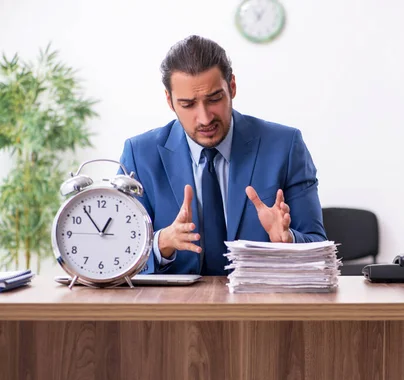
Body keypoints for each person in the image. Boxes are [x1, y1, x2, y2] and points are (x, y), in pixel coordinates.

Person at [118, 35, 327, 275]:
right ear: (170, 101)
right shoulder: (140, 154)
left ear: (232, 87)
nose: (205, 118)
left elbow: (319, 249)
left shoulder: (285, 146)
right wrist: (161, 243)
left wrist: (288, 240)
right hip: (172, 309)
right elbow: (118, 253)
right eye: (188, 104)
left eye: (214, 99)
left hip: (260, 306)